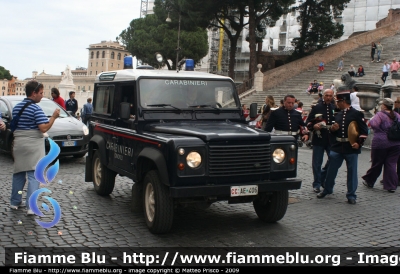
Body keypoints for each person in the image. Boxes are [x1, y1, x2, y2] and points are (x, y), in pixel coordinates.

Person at [10, 80, 60, 215]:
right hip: (33, 144)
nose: (42, 96)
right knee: (33, 174)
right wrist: (53, 117)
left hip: (19, 144)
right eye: (41, 93)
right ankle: (31, 207)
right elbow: (43, 127)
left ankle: (15, 202)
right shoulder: (36, 108)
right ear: (34, 93)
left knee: (19, 173)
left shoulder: (17, 107)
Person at [316, 90, 368, 204]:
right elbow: (333, 132)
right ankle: (327, 189)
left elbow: (364, 131)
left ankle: (351, 195)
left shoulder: (357, 114)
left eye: (338, 101)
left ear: (343, 101)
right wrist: (333, 130)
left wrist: (359, 143)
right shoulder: (338, 114)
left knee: (352, 172)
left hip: (351, 147)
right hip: (337, 147)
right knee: (331, 170)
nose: (337, 103)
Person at [362, 98, 400, 192]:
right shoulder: (397, 115)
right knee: (391, 164)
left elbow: (374, 124)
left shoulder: (380, 115)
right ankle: (391, 185)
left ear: (384, 105)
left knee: (377, 163)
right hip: (396, 143)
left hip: (381, 143)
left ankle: (370, 180)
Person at [306, 89, 335, 193]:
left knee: (333, 159)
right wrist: (314, 126)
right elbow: (308, 122)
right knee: (317, 163)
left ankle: (323, 176)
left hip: (331, 138)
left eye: (330, 96)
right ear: (323, 96)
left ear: (332, 96)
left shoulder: (335, 108)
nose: (328, 97)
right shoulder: (317, 107)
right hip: (319, 138)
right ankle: (317, 183)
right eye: (326, 95)